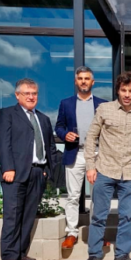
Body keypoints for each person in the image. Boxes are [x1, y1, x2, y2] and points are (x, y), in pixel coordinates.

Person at [0, 78, 57, 260]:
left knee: (28, 215)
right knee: (12, 215)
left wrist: (47, 171)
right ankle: (9, 256)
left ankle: (21, 252)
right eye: (27, 93)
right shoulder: (7, 114)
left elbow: (50, 147)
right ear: (17, 95)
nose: (31, 97)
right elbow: (3, 143)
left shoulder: (44, 119)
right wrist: (7, 168)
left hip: (38, 173)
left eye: (34, 94)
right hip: (15, 173)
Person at [83, 72, 131, 260]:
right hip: (104, 170)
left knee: (128, 216)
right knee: (99, 215)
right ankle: (94, 254)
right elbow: (91, 138)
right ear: (118, 90)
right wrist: (90, 167)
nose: (127, 94)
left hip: (130, 173)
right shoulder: (104, 109)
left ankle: (122, 254)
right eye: (123, 90)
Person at [55, 67, 106, 250]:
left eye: (87, 78)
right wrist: (64, 134)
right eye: (80, 78)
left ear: (93, 82)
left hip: (98, 155)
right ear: (76, 82)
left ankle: (97, 233)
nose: (83, 81)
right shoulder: (66, 103)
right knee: (73, 196)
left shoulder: (103, 104)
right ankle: (71, 232)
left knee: (98, 196)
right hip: (74, 153)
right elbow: (59, 126)